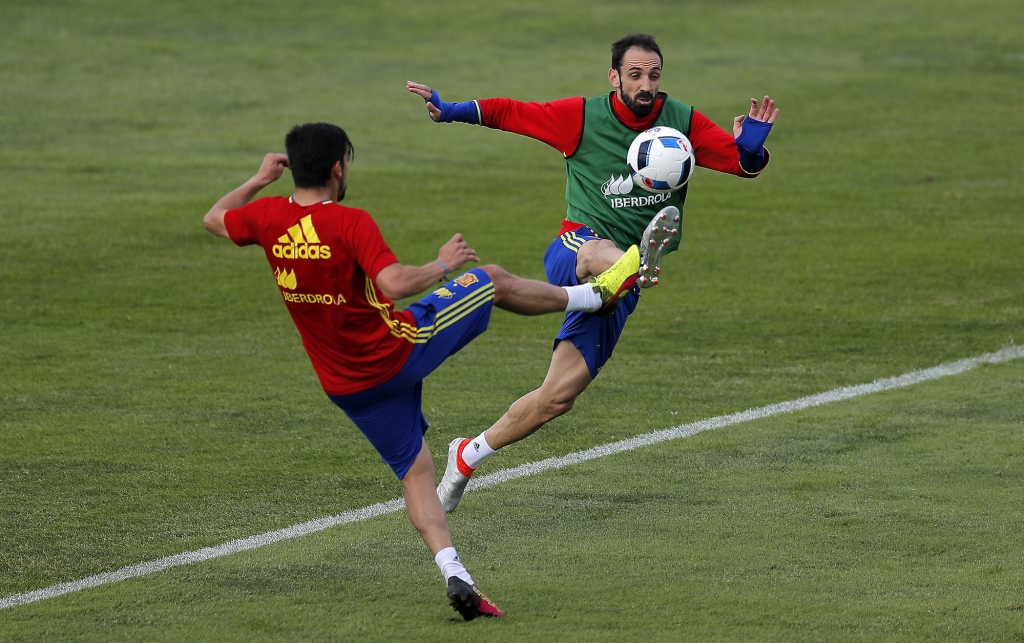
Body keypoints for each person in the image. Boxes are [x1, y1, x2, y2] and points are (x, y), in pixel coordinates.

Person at [202, 122, 638, 620]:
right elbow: (392, 284)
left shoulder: (266, 218)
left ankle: (456, 574)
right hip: (397, 351)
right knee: (490, 279)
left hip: (345, 385)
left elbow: (215, 218)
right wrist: (441, 263)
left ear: (293, 168)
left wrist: (258, 180)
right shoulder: (348, 222)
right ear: (338, 168)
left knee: (416, 472)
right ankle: (595, 294)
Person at [407, 32, 779, 512]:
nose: (646, 84)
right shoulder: (581, 117)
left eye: (654, 75)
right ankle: (630, 265)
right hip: (576, 250)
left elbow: (741, 166)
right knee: (601, 253)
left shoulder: (680, 122)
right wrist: (450, 108)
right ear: (614, 77)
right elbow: (513, 113)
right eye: (636, 74)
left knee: (557, 398)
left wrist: (750, 148)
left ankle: (468, 454)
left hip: (623, 283)